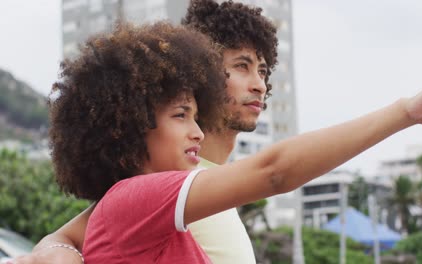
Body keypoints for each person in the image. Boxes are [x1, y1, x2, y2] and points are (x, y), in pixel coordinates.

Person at [13, 0, 278, 263]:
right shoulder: (169, 176)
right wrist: (62, 253)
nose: (259, 85)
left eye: (263, 71)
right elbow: (63, 238)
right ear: (204, 72)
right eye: (241, 66)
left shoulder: (200, 176)